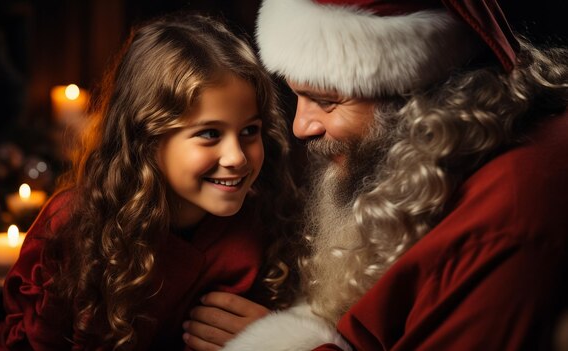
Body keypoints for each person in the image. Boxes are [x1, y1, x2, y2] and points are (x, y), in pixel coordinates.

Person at [215, 0, 568, 350]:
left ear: (416, 98)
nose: (300, 127)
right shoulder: (457, 157)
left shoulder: (506, 217)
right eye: (298, 98)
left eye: (325, 101)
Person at [0, 13, 301, 351]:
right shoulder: (76, 228)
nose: (238, 157)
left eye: (249, 131)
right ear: (148, 138)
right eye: (210, 134)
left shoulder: (263, 222)